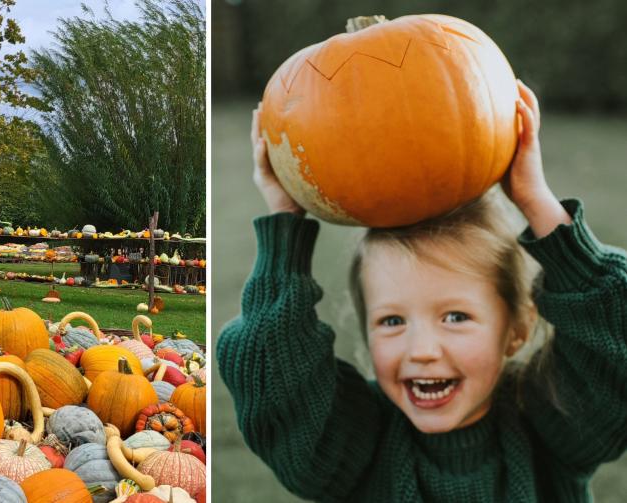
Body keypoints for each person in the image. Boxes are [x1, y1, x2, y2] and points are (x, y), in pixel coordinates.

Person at [216, 80, 627, 501]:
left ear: (517, 328)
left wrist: (536, 200)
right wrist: (286, 217)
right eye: (392, 320)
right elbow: (271, 365)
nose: (422, 349)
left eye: (455, 317)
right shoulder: (352, 441)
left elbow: (616, 334)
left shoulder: (551, 422)